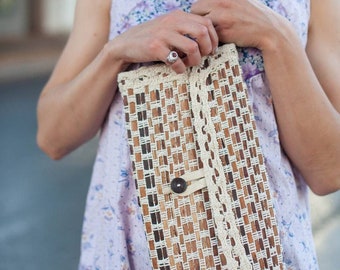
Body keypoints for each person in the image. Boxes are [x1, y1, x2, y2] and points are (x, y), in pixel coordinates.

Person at [36, 0, 340, 269]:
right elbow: (53, 137)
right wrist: (115, 54)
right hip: (125, 254)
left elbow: (330, 170)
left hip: (262, 253)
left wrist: (277, 37)